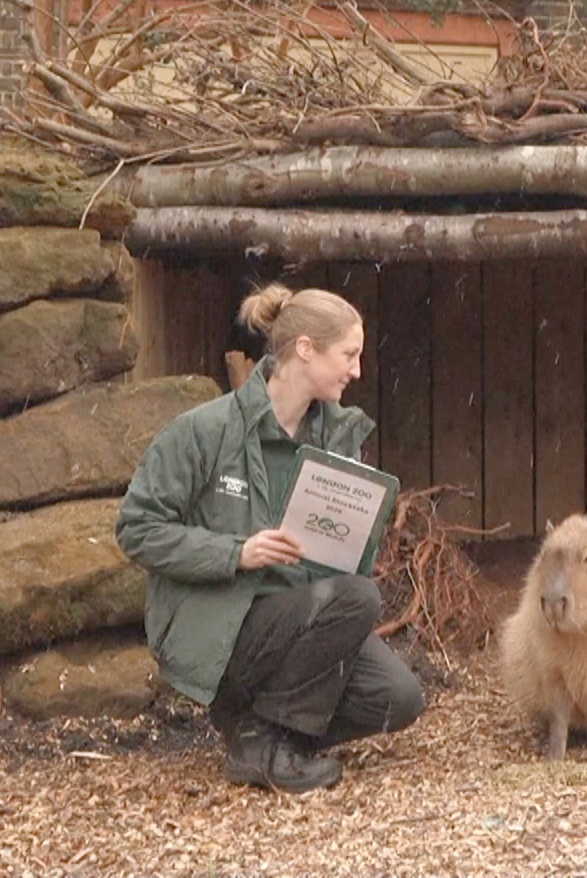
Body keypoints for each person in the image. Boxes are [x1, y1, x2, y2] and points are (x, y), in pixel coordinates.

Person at [117, 283, 424, 793]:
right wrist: (236, 553)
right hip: (224, 627)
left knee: (398, 699)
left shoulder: (338, 438)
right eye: (348, 354)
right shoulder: (203, 432)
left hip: (302, 622)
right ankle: (263, 732)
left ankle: (261, 735)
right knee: (358, 598)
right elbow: (137, 529)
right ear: (305, 349)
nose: (357, 371)